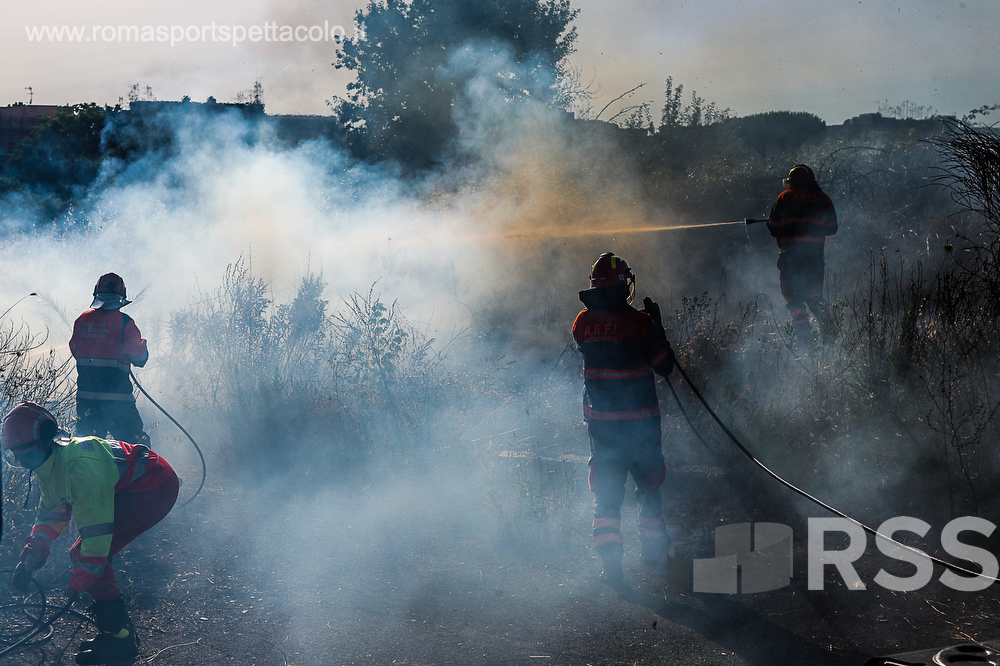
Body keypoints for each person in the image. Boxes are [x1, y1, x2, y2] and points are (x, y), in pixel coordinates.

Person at [3, 401, 178, 665]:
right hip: (129, 487)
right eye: (17, 457)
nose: (24, 462)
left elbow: (96, 540)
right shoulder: (50, 462)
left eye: (27, 454)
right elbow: (52, 512)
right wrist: (33, 554)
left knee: (86, 556)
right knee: (84, 557)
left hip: (154, 486)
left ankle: (120, 640)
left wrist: (80, 581)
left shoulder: (80, 466)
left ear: (47, 439)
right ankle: (113, 632)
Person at [572, 252, 675, 589]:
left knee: (606, 497)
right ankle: (655, 555)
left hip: (602, 431)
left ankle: (612, 568)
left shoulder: (582, 323)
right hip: (640, 428)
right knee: (649, 490)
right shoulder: (640, 324)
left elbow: (602, 337)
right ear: (623, 286)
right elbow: (664, 366)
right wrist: (657, 329)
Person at [70, 273, 150, 445]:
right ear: (122, 296)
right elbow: (140, 358)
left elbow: (75, 350)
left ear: (96, 293)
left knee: (86, 451)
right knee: (136, 448)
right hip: (119, 405)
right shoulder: (125, 323)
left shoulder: (82, 321)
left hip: (87, 403)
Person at [766, 164, 839, 349]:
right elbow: (833, 228)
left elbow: (773, 227)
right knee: (814, 295)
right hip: (814, 258)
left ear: (792, 181)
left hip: (790, 257)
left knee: (794, 300)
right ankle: (830, 336)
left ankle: (806, 345)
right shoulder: (823, 198)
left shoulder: (784, 197)